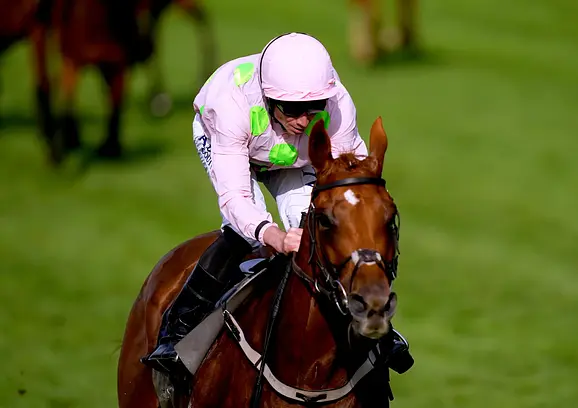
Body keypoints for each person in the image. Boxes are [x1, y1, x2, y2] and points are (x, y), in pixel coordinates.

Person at [141, 32, 413, 377]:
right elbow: (235, 198)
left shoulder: (337, 104)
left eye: (313, 108)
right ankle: (177, 327)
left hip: (292, 160)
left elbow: (349, 180)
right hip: (228, 142)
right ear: (268, 99)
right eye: (292, 110)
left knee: (319, 233)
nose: (304, 120)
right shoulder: (230, 106)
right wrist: (273, 235)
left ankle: (374, 325)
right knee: (246, 234)